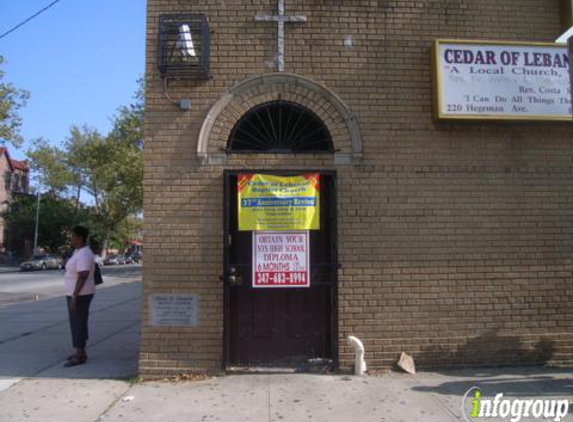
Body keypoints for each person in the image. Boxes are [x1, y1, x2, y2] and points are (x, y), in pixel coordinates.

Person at [64, 225, 96, 367]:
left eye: (73, 236)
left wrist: (75, 295)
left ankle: (80, 354)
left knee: (78, 323)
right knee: (77, 322)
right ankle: (80, 350)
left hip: (80, 295)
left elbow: (83, 275)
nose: (71, 239)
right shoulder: (79, 252)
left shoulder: (83, 254)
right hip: (78, 294)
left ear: (80, 238)